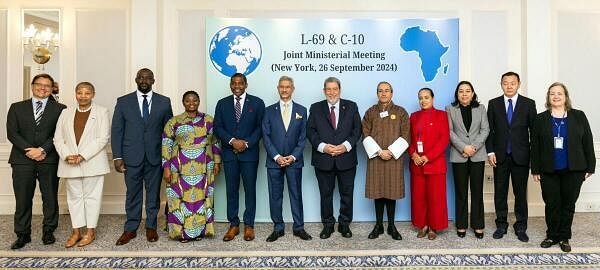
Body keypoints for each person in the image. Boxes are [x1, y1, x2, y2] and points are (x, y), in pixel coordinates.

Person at [111, 68, 173, 245]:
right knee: (133, 194)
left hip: (155, 157)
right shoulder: (123, 102)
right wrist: (117, 157)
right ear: (136, 79)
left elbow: (168, 132)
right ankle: (130, 229)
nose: (144, 80)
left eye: (148, 78)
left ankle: (151, 227)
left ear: (153, 80)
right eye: (141, 77)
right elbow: (117, 130)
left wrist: (167, 158)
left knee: (153, 195)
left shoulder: (164, 102)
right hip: (131, 157)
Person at [531, 82, 595, 252]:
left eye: (559, 93)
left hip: (574, 169)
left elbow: (587, 141)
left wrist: (591, 166)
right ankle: (552, 235)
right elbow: (535, 146)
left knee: (568, 204)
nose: (556, 96)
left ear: (566, 96)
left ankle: (564, 237)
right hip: (548, 169)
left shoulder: (579, 116)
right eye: (552, 93)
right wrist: (535, 169)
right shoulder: (540, 118)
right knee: (552, 204)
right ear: (548, 97)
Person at [6, 73, 66, 249]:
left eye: (47, 85)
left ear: (52, 88)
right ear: (32, 86)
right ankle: (23, 235)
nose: (43, 88)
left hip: (49, 159)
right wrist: (30, 151)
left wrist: (41, 150)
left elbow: (59, 134)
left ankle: (48, 231)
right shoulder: (17, 107)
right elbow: (12, 133)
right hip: (22, 160)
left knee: (50, 198)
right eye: (39, 84)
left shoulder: (61, 109)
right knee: (23, 199)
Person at [53, 82, 110, 247]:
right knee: (74, 198)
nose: (83, 96)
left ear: (93, 94)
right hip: (69, 162)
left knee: (92, 198)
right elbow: (58, 138)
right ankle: (76, 231)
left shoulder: (101, 112)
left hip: (92, 162)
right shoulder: (65, 112)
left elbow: (102, 138)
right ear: (75, 94)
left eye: (87, 93)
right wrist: (66, 155)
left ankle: (90, 231)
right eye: (80, 92)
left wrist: (82, 156)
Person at [161, 91, 221, 242]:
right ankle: (180, 233)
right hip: (179, 168)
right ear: (183, 102)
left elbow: (215, 142)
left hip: (204, 166)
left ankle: (199, 232)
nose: (191, 103)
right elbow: (166, 144)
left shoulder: (208, 120)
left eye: (194, 100)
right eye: (188, 101)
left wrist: (218, 162)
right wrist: (166, 167)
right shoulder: (174, 121)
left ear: (199, 101)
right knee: (180, 200)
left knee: (201, 200)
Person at [307, 77, 362, 239]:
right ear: (324, 91)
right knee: (326, 194)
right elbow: (310, 131)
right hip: (323, 159)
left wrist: (345, 146)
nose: (332, 92)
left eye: (335, 89)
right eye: (328, 89)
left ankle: (344, 224)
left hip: (346, 159)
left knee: (347, 194)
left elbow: (357, 130)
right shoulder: (316, 108)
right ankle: (328, 225)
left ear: (340, 90)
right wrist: (324, 147)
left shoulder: (351, 106)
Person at [214, 73, 265, 242]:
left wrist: (246, 143)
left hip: (249, 155)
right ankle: (233, 224)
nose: (237, 86)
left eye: (240, 83)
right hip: (229, 154)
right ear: (230, 85)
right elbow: (218, 127)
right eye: (234, 83)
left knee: (250, 190)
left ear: (246, 84)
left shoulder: (257, 103)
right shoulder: (222, 104)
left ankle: (249, 225)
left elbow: (260, 128)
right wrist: (232, 141)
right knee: (231, 190)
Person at [486, 71, 536, 242]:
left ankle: (521, 226)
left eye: (512, 83)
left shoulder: (529, 104)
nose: (509, 86)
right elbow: (489, 131)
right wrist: (490, 152)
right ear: (501, 84)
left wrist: (532, 157)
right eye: (505, 83)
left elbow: (534, 132)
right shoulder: (493, 104)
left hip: (521, 156)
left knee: (520, 194)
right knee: (500, 193)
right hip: (499, 156)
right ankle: (501, 225)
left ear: (518, 84)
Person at [262, 76, 311, 242]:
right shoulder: (268, 111)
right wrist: (276, 157)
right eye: (282, 87)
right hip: (274, 161)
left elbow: (303, 137)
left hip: (294, 161)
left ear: (293, 89)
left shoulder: (302, 110)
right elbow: (266, 136)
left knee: (296, 194)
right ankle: (278, 227)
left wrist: (293, 156)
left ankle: (299, 227)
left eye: (288, 87)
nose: (284, 90)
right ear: (278, 88)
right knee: (275, 195)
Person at [361, 81, 409, 240]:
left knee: (391, 192)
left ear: (392, 93)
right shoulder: (370, 112)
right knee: (378, 192)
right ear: (377, 93)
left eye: (387, 90)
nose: (383, 93)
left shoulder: (401, 112)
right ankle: (379, 225)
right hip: (376, 157)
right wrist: (379, 152)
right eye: (380, 91)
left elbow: (406, 135)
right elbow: (365, 134)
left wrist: (391, 151)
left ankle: (391, 226)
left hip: (394, 158)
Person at [446, 81, 489, 239]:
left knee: (477, 192)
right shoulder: (450, 109)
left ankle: (478, 225)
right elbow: (449, 131)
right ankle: (461, 225)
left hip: (477, 156)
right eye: (461, 91)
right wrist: (464, 148)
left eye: (467, 91)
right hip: (459, 155)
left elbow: (485, 130)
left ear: (472, 94)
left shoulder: (481, 108)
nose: (464, 94)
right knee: (461, 192)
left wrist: (473, 148)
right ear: (457, 94)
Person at [408, 88, 449, 240]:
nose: (423, 100)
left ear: (433, 98)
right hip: (417, 164)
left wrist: (427, 156)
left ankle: (433, 226)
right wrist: (413, 154)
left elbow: (443, 140)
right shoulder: (413, 116)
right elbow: (409, 139)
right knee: (419, 197)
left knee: (435, 198)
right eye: (420, 98)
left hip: (435, 164)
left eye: (426, 97)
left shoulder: (442, 115)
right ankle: (422, 225)